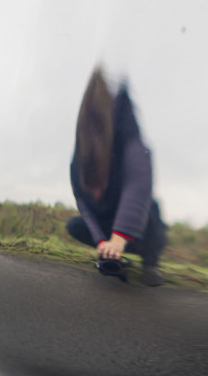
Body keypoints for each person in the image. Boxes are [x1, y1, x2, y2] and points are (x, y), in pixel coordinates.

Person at [67, 68, 167, 285]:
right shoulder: (78, 166)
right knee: (75, 225)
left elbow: (137, 186)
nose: (96, 194)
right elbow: (85, 208)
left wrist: (120, 236)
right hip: (109, 221)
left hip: (141, 225)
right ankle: (115, 254)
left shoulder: (128, 143)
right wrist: (102, 241)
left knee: (151, 211)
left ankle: (150, 263)